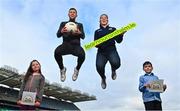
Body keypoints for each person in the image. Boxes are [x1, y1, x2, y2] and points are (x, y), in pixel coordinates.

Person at [94, 14, 126, 89]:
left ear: (107, 20)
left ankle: (113, 69)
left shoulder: (113, 29)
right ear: (100, 20)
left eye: (105, 18)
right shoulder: (97, 31)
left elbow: (119, 41)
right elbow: (95, 44)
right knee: (99, 67)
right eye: (102, 18)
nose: (104, 19)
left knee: (117, 64)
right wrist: (99, 43)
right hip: (101, 52)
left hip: (111, 50)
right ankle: (103, 78)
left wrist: (121, 35)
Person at [54, 8, 85, 82]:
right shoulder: (63, 23)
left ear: (76, 15)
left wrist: (79, 33)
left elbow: (83, 36)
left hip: (76, 46)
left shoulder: (80, 25)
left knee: (82, 55)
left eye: (74, 12)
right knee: (56, 52)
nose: (72, 13)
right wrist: (61, 31)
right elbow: (58, 35)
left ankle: (77, 69)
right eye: (70, 12)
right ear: (68, 14)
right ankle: (62, 69)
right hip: (65, 45)